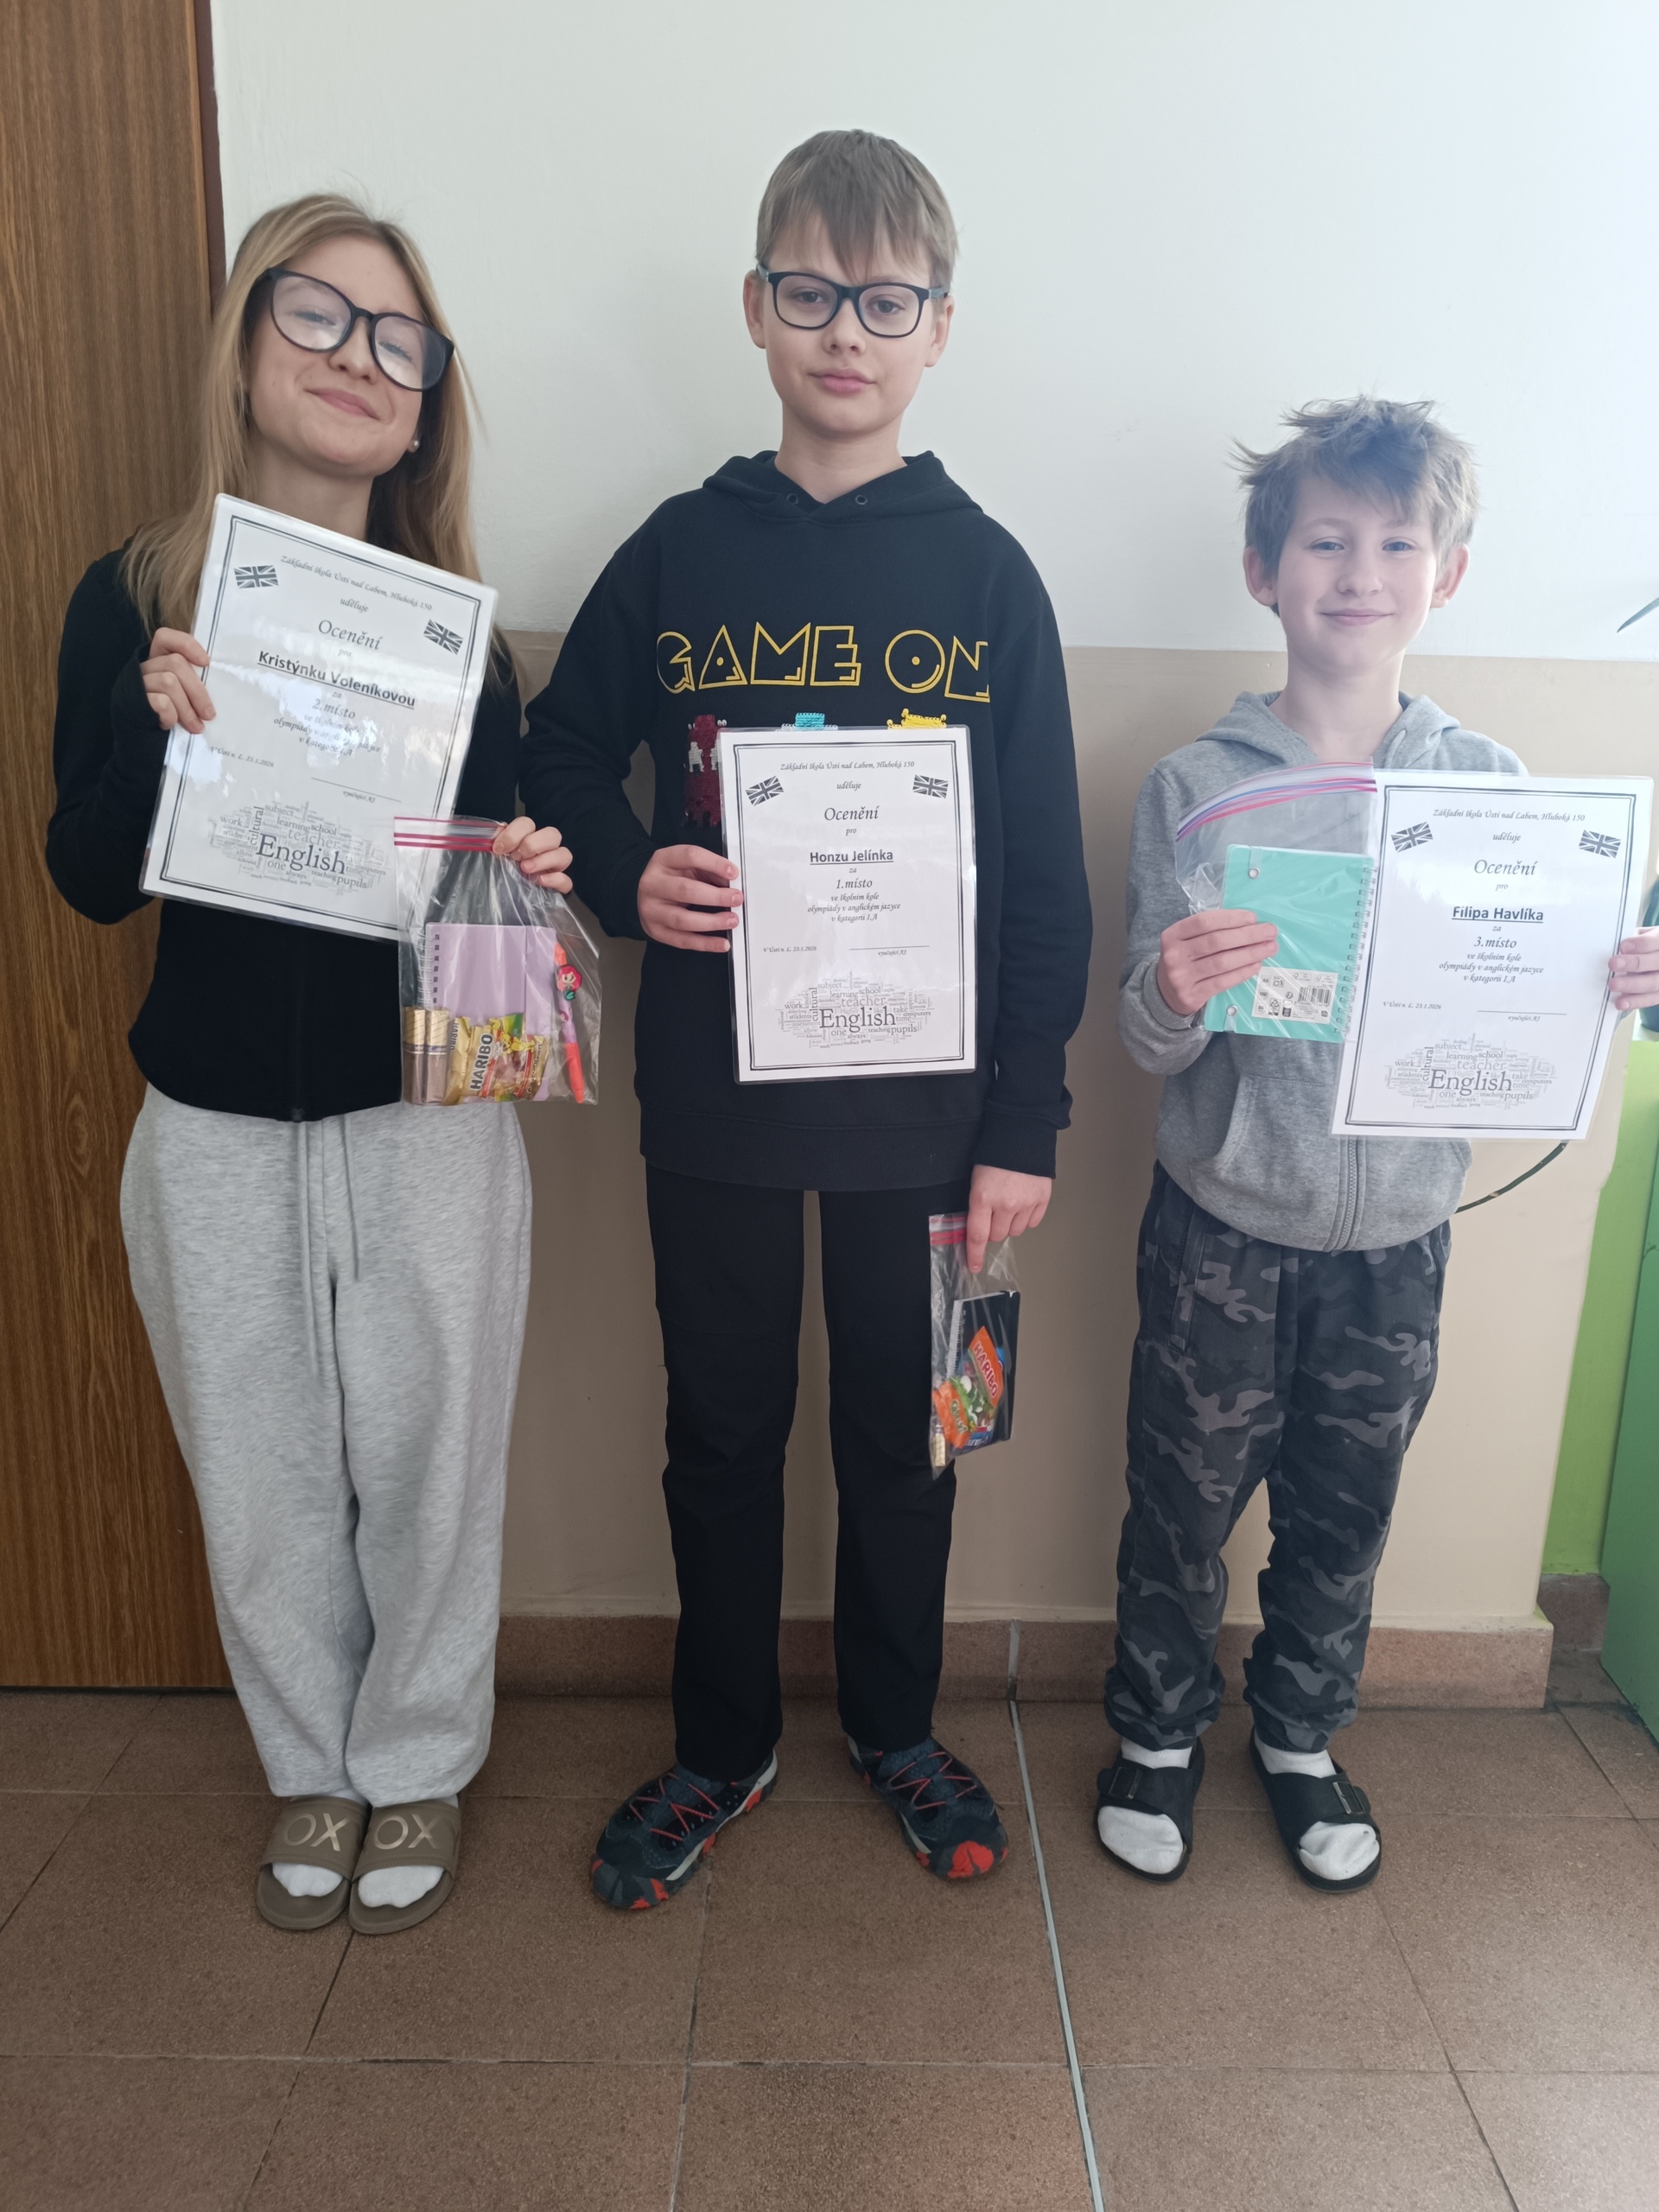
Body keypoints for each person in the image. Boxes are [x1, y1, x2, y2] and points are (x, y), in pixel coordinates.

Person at [521, 130, 1091, 1908]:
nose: (848, 329)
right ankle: (722, 1744)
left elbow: (1043, 881)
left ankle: (898, 1725)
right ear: (756, 309)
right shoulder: (681, 549)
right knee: (718, 1430)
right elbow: (553, 753)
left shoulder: (988, 578)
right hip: (719, 1106)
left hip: (932, 1121)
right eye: (813, 292)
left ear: (940, 329)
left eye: (887, 300)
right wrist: (634, 871)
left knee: (913, 1435)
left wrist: (1023, 1123)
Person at [46, 194, 569, 1936]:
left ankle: (415, 1757)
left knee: (433, 1463)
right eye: (321, 316)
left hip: (422, 1119)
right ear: (246, 342)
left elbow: (483, 966)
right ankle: (312, 1766)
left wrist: (519, 885)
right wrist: (154, 726)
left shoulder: (461, 644)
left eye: (400, 340)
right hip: (209, 1116)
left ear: (426, 406)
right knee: (258, 1468)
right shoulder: (134, 602)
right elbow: (87, 878)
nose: (361, 359)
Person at [1103, 399, 1508, 1890]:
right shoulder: (1195, 788)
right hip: (1222, 1224)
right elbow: (1147, 1041)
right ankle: (1154, 1735)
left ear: (1445, 575)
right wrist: (1171, 990)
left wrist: (1593, 988)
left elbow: (1514, 1026)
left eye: (1397, 545)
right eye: (1327, 542)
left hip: (1398, 1236)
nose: (1361, 574)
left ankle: (1297, 1734)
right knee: (1181, 1505)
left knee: (1346, 1513)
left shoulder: (1488, 789)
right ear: (1264, 569)